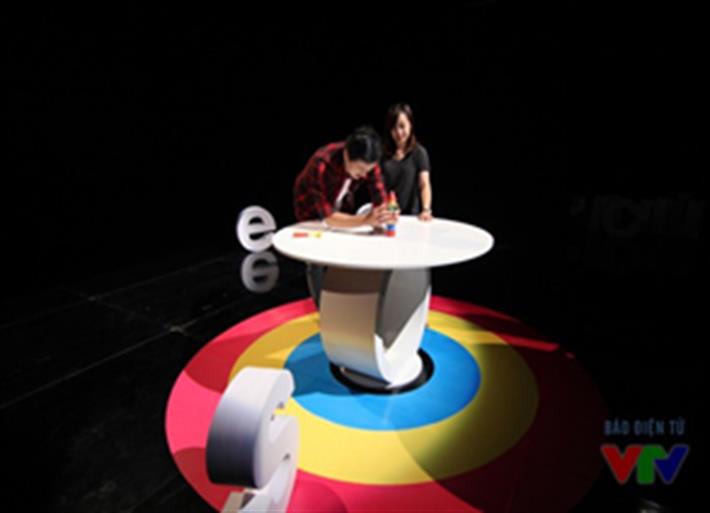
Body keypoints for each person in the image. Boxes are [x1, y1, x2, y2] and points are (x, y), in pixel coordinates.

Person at [293, 126, 398, 306]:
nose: (364, 175)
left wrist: (387, 213)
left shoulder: (368, 161)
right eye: (360, 170)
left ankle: (344, 301)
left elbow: (379, 195)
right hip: (311, 210)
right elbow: (328, 218)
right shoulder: (321, 163)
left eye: (368, 170)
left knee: (343, 247)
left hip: (341, 204)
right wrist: (365, 220)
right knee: (316, 258)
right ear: (347, 155)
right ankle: (322, 308)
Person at [382, 103, 433, 221]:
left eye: (402, 126)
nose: (398, 132)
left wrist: (426, 209)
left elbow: (424, 184)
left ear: (410, 125)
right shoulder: (382, 153)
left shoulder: (419, 153)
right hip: (387, 215)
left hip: (411, 217)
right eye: (394, 128)